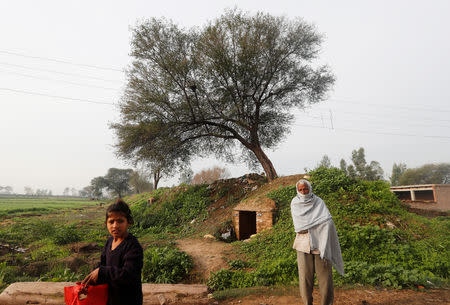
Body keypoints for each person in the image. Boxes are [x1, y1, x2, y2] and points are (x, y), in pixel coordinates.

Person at [291, 179, 344, 305]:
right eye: (300, 190)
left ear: (310, 188)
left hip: (322, 245)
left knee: (325, 279)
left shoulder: (318, 202)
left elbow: (328, 222)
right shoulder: (295, 203)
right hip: (303, 245)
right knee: (305, 280)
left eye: (305, 189)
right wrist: (317, 225)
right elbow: (299, 227)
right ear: (297, 190)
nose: (303, 192)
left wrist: (314, 226)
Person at [81, 199, 143, 305]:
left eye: (120, 221)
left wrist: (102, 272)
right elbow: (103, 265)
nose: (115, 225)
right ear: (106, 223)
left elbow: (128, 275)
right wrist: (92, 281)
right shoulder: (109, 242)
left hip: (128, 300)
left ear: (129, 222)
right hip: (111, 298)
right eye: (111, 222)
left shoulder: (133, 246)